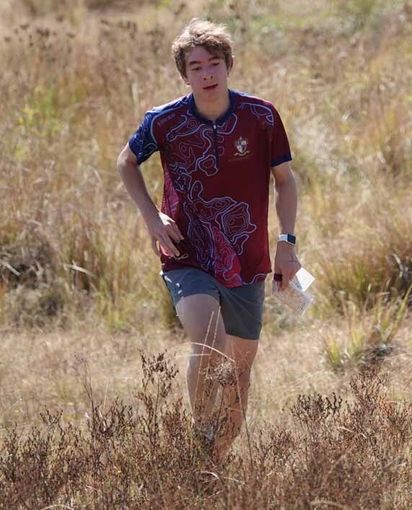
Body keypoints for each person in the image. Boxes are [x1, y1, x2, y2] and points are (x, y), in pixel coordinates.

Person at [116, 18, 301, 461]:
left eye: (213, 63)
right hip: (186, 252)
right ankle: (199, 437)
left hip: (248, 258)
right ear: (185, 75)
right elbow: (126, 162)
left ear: (229, 65)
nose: (206, 74)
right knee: (209, 343)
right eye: (195, 67)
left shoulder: (261, 116)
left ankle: (211, 461)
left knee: (240, 371)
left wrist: (287, 243)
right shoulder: (164, 120)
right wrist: (153, 218)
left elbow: (285, 181)